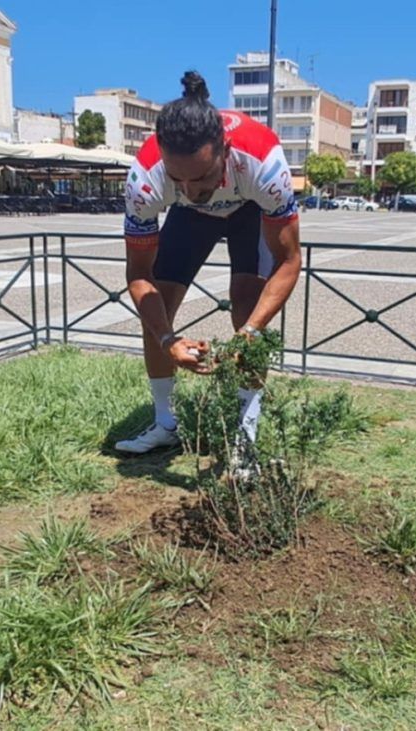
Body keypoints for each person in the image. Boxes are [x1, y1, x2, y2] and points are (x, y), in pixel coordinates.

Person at [114, 71, 302, 455]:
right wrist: (168, 340)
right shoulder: (146, 179)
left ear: (225, 150)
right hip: (189, 217)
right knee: (157, 313)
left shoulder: (263, 162)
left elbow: (288, 261)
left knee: (247, 308)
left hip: (249, 208)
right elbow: (138, 275)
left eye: (200, 176)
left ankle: (245, 438)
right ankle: (165, 424)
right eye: (177, 178)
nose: (190, 189)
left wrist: (248, 332)